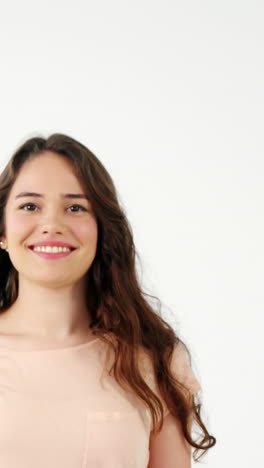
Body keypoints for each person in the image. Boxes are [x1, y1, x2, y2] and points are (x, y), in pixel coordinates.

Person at [0, 133, 216, 467]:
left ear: (101, 228)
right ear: (2, 231)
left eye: (75, 207)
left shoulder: (154, 359)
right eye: (30, 206)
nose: (51, 225)